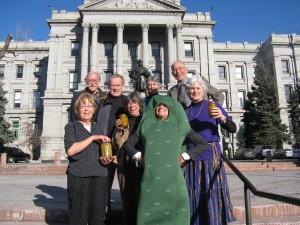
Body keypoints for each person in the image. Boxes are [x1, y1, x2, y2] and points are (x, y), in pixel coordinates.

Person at [124, 95, 208, 225]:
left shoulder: (181, 126)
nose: (161, 107)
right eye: (158, 105)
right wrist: (138, 156)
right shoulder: (145, 125)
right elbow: (127, 145)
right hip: (150, 181)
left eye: (165, 106)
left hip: (173, 180)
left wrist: (185, 156)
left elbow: (203, 144)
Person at [184, 75, 236, 225]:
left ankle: (214, 221)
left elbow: (232, 128)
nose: (195, 91)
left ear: (204, 90)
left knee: (212, 192)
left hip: (210, 157)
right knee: (194, 193)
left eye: (198, 88)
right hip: (192, 158)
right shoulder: (185, 112)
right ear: (188, 91)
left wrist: (223, 118)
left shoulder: (214, 107)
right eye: (192, 88)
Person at [64, 93, 114, 225]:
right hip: (79, 176)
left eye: (89, 106)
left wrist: (105, 159)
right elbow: (71, 150)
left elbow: (100, 151)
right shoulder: (71, 127)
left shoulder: (98, 127)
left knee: (98, 218)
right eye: (82, 106)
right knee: (78, 218)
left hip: (99, 177)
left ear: (94, 109)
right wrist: (92, 138)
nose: (86, 109)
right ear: (77, 110)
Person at [96, 74, 127, 221]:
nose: (115, 87)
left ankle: (128, 217)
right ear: (109, 86)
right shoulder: (101, 101)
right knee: (104, 185)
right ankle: (104, 217)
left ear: (123, 86)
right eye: (112, 85)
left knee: (126, 185)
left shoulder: (127, 102)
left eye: (118, 85)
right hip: (105, 147)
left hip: (122, 149)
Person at [112, 91, 144, 225]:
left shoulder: (145, 119)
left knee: (141, 196)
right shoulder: (122, 121)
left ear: (140, 105)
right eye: (129, 103)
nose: (131, 105)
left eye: (134, 102)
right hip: (124, 162)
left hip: (141, 161)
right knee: (127, 197)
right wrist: (119, 131)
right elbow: (115, 144)